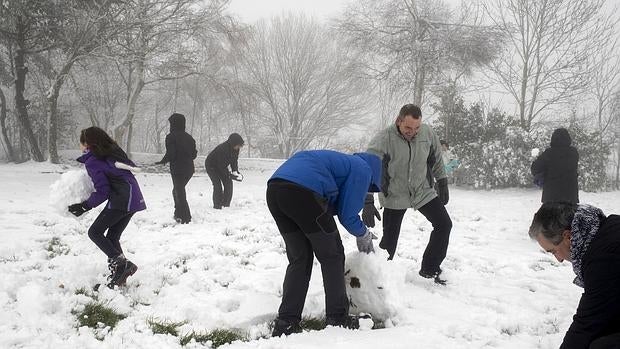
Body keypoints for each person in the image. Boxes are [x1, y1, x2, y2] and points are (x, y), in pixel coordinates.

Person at [267, 150, 382, 337]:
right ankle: (337, 317)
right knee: (333, 256)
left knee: (300, 258)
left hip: (275, 190)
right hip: (304, 193)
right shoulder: (362, 169)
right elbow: (348, 215)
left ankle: (286, 321)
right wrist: (364, 234)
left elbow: (333, 204)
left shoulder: (340, 162)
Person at [364, 103, 452, 284]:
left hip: (422, 191)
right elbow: (367, 169)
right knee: (389, 241)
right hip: (395, 194)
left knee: (444, 224)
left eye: (417, 127)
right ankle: (378, 277)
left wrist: (442, 181)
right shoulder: (383, 139)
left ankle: (430, 268)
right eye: (408, 127)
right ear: (398, 121)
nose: (413, 131)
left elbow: (435, 158)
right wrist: (367, 200)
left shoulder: (427, 133)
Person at [528, 202, 620, 349]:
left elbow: (587, 324)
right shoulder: (607, 228)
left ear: (568, 236)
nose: (558, 259)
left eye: (553, 251)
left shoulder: (604, 258)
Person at [68, 127, 146, 289]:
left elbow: (103, 190)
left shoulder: (94, 161)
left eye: (81, 142)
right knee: (112, 236)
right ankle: (121, 271)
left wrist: (84, 206)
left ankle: (122, 266)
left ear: (87, 144)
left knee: (94, 232)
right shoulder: (111, 152)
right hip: (133, 198)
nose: (80, 146)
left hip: (121, 200)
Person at [155, 113, 197, 224]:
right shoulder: (190, 138)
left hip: (177, 169)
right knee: (177, 190)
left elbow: (171, 153)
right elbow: (194, 155)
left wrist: (163, 161)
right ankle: (178, 213)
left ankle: (185, 217)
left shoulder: (171, 137)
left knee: (179, 191)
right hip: (189, 170)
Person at [530, 127, 579, 204]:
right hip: (571, 198)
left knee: (550, 216)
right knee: (569, 216)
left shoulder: (549, 153)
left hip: (551, 198)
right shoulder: (573, 153)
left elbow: (535, 168)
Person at [204, 133, 244, 209]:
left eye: (240, 146)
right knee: (217, 185)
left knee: (228, 183)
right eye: (238, 145)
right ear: (233, 143)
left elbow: (234, 161)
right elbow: (220, 166)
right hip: (211, 166)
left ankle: (226, 204)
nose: (239, 147)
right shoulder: (222, 149)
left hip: (221, 165)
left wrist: (235, 172)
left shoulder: (236, 149)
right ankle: (217, 205)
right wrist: (229, 175)